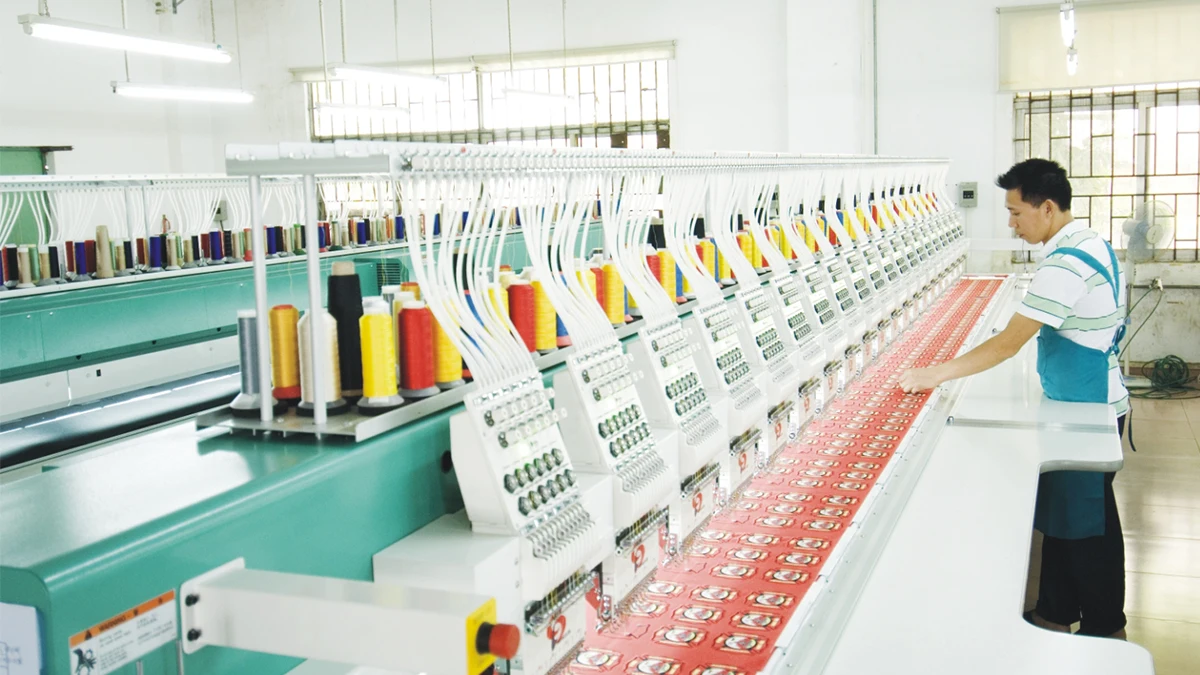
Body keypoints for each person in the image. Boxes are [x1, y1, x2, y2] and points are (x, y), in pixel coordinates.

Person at [898, 158, 1128, 639]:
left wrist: (935, 374)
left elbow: (1008, 344)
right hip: (1084, 401)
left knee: (1089, 527)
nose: (1011, 224)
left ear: (1048, 208)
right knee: (1066, 518)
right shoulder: (1089, 242)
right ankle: (1053, 612)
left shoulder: (1064, 265)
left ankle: (1105, 627)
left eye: (1015, 213)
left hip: (1087, 408)